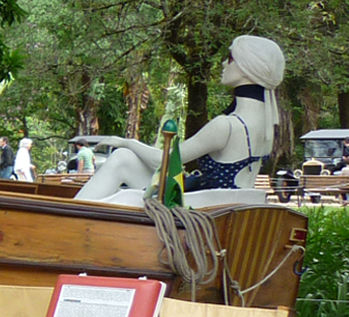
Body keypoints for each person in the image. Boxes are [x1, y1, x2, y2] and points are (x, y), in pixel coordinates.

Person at [77, 35, 283, 201]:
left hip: (198, 210)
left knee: (122, 157)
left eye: (229, 58)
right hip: (226, 208)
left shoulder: (227, 126)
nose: (222, 64)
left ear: (248, 68)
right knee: (127, 160)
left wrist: (125, 142)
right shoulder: (267, 126)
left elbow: (163, 159)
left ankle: (67, 220)